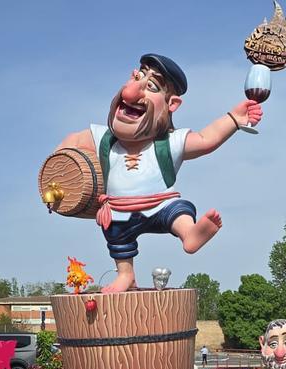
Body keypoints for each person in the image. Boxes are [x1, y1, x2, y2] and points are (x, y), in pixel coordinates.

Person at [54, 54, 263, 293]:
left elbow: (206, 139)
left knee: (179, 210)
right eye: (138, 76)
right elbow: (72, 142)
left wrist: (234, 119)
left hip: (159, 204)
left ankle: (189, 234)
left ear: (171, 104)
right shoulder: (105, 139)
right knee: (116, 237)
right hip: (119, 210)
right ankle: (126, 275)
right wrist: (55, 176)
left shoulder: (168, 143)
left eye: (151, 86)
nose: (133, 92)